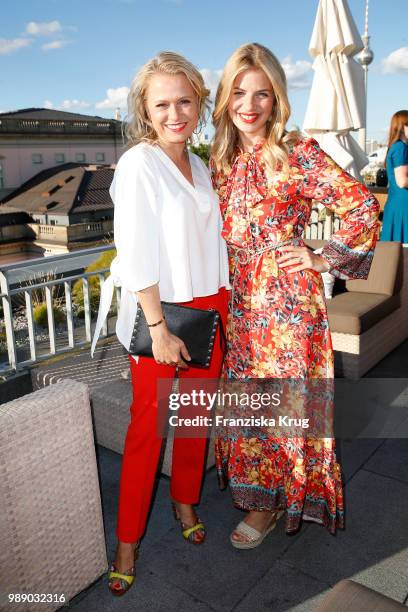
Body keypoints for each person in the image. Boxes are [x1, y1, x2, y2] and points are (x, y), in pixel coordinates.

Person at [210, 43, 380, 548]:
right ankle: (261, 500)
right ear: (224, 97)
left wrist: (322, 257)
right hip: (240, 307)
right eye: (239, 92)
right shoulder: (219, 159)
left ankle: (277, 502)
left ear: (277, 98)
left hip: (288, 307)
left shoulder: (298, 152)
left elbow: (363, 208)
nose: (249, 104)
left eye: (262, 93)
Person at [91, 51, 230, 595]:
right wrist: (158, 329)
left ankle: (185, 499)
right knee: (147, 429)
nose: (176, 113)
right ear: (146, 111)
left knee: (196, 420)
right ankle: (127, 539)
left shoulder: (199, 163)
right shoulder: (139, 164)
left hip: (211, 308)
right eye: (163, 104)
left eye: (185, 101)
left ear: (199, 103)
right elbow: (135, 253)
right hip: (163, 316)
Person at [380, 110, 408, 242]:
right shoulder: (401, 148)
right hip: (403, 206)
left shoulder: (396, 147)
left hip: (397, 204)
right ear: (403, 127)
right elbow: (402, 181)